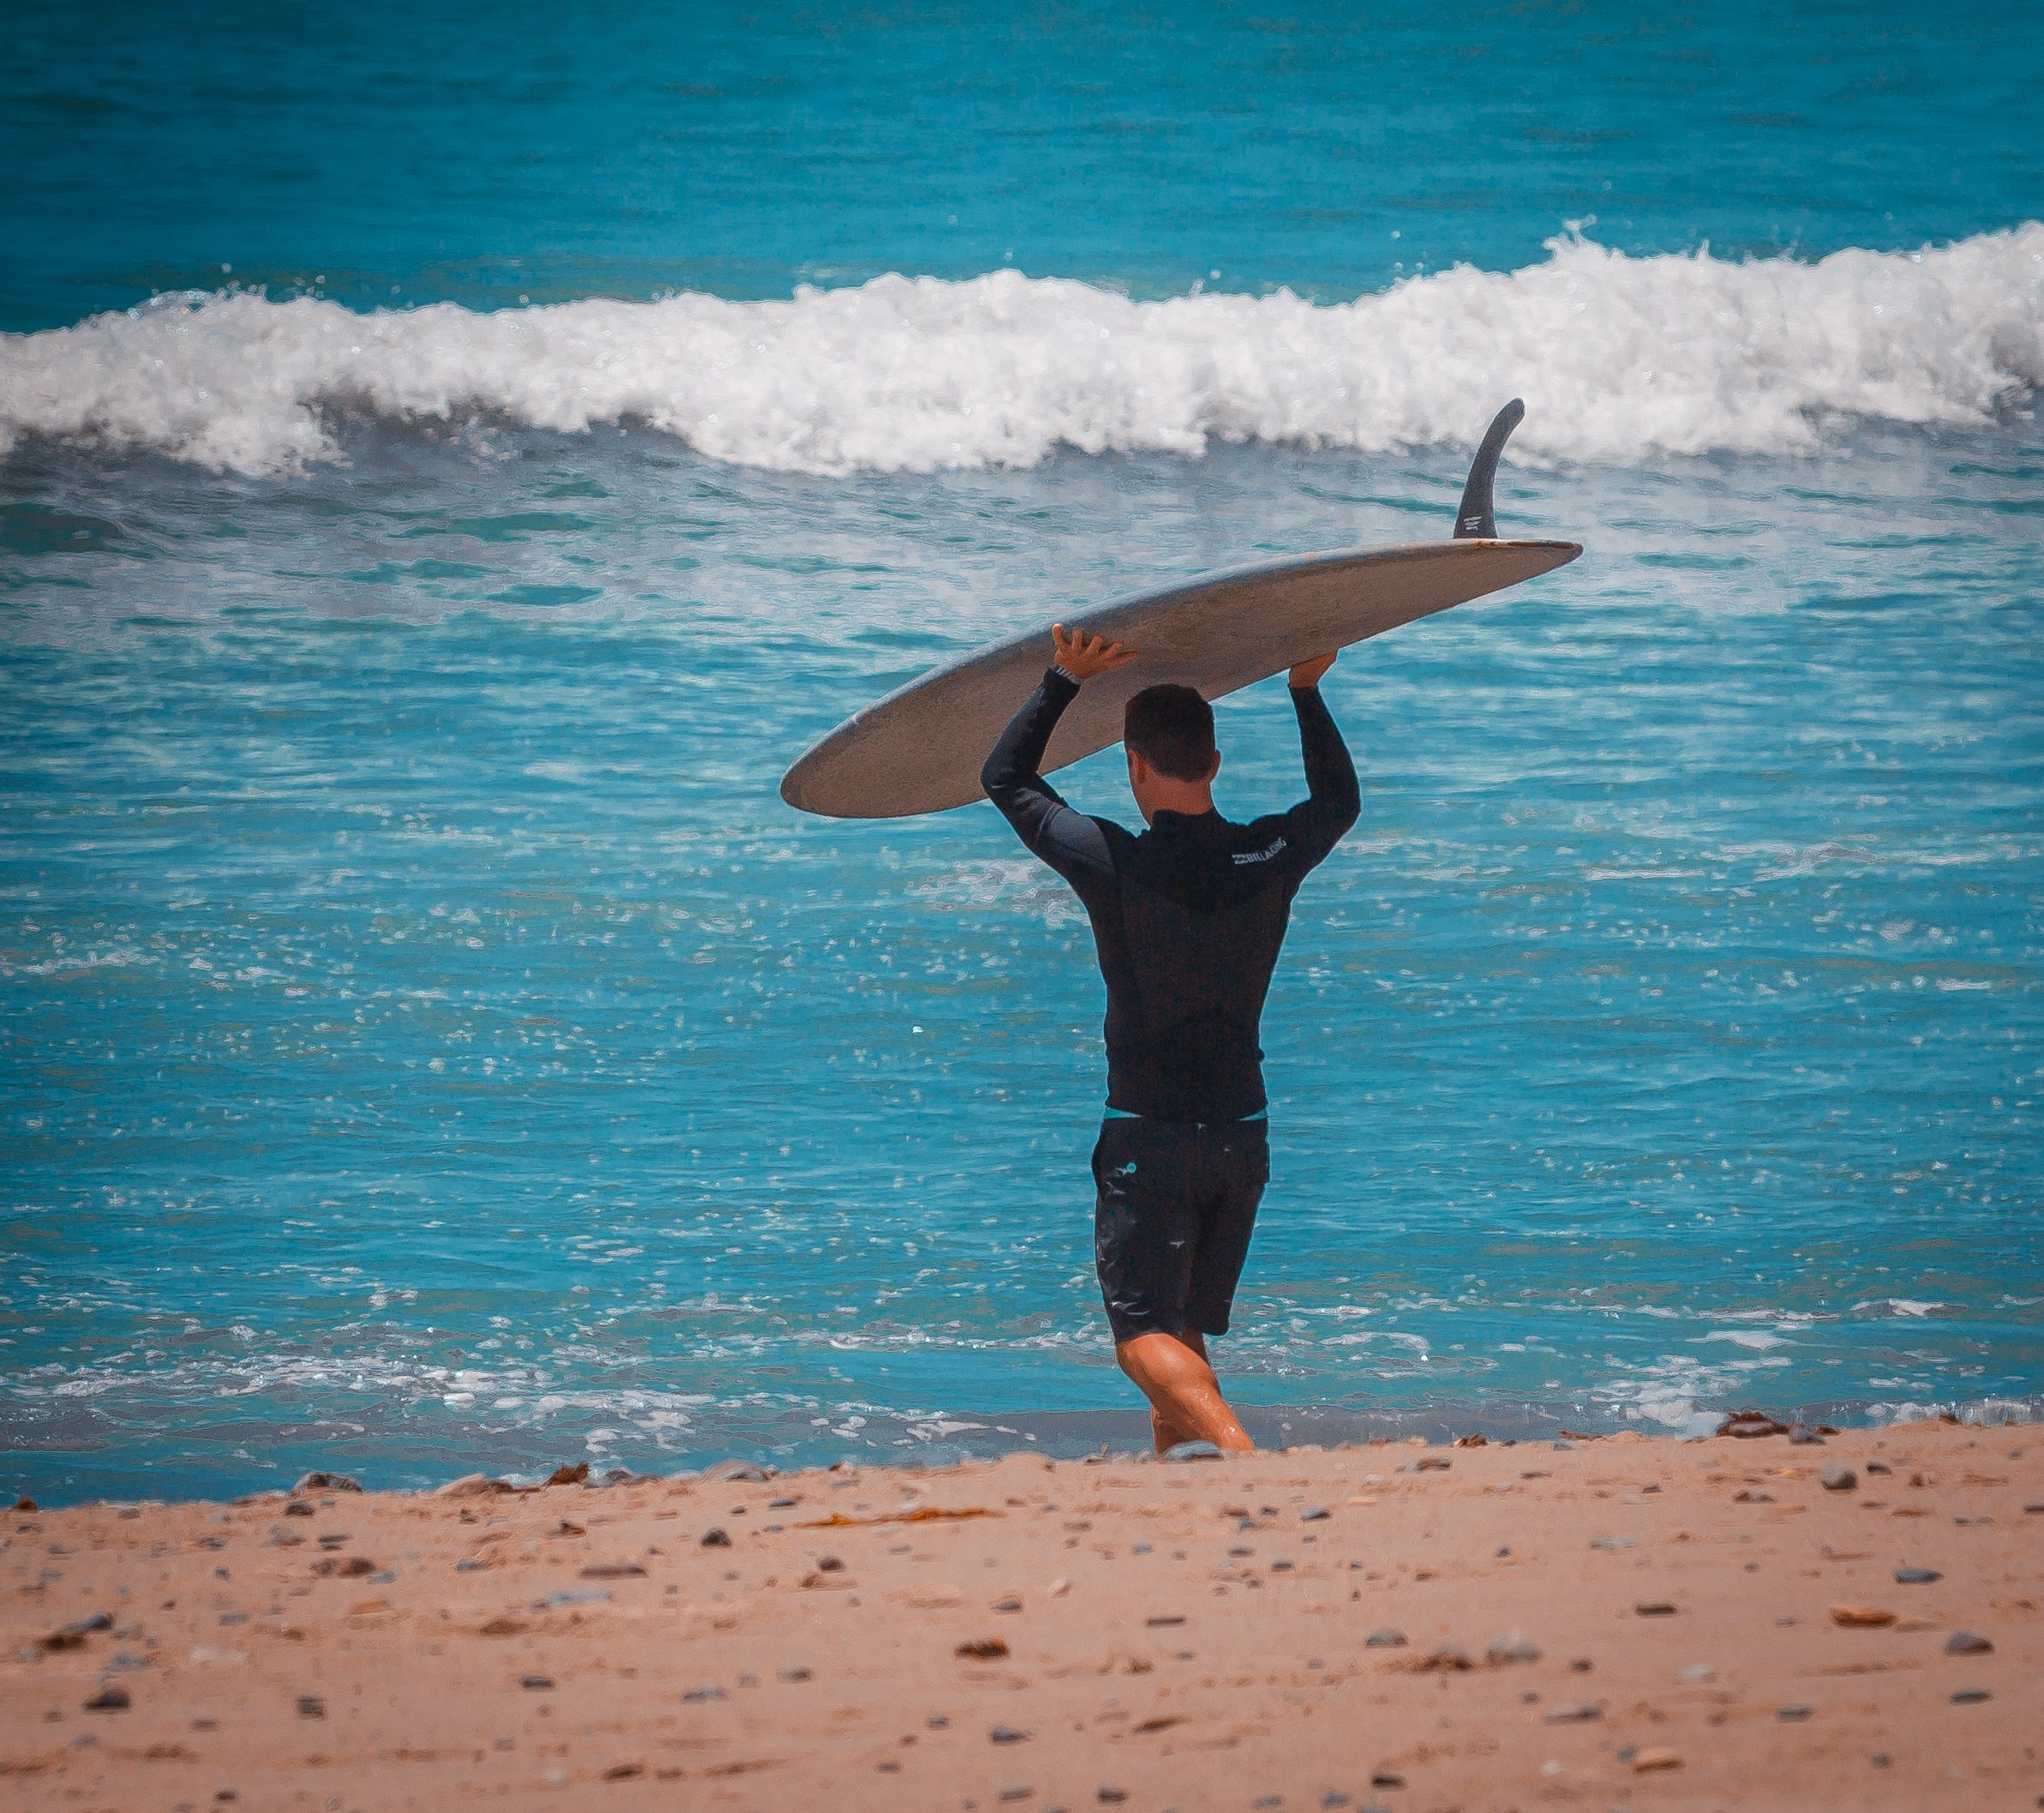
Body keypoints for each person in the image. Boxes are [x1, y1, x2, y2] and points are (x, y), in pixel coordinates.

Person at [981, 625, 1360, 1454]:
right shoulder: (1267, 852)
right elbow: (1338, 803)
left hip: (1149, 1137)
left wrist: (1061, 678)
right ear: (1214, 763)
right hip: (1242, 1136)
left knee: (1141, 1332)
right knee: (1183, 1329)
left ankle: (1239, 1453)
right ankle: (1184, 1472)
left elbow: (1004, 777)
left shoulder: (1110, 859)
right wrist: (1306, 689)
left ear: (1134, 766)